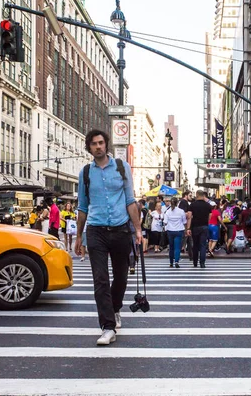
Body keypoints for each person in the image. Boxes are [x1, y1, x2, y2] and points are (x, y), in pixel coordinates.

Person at [74, 129, 142, 347]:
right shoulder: (85, 173)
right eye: (93, 144)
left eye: (101, 142)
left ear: (107, 144)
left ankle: (115, 307)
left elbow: (131, 200)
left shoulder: (122, 167)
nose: (98, 146)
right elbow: (82, 208)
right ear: (89, 147)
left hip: (121, 229)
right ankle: (107, 326)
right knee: (100, 280)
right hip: (96, 231)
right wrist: (78, 237)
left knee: (121, 277)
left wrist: (138, 230)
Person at [187, 190, 212, 268]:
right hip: (204, 226)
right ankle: (202, 263)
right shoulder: (208, 205)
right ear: (203, 195)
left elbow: (189, 217)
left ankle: (195, 262)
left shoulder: (192, 205)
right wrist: (206, 223)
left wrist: (188, 228)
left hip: (195, 227)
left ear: (197, 195)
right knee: (203, 245)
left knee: (195, 245)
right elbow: (210, 217)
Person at [164, 197, 187, 268]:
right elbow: (184, 222)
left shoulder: (167, 211)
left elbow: (165, 222)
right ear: (177, 203)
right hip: (179, 230)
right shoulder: (181, 211)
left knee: (171, 247)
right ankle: (176, 261)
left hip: (170, 231)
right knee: (177, 247)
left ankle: (171, 262)